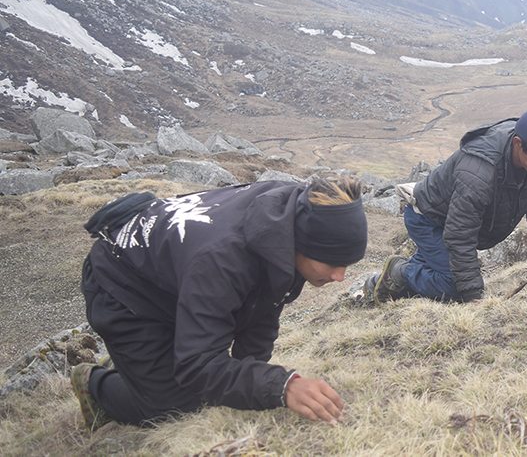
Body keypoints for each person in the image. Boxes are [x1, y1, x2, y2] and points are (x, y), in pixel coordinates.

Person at [72, 176, 368, 430]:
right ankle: (94, 382)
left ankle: (147, 363)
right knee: (175, 409)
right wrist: (283, 386)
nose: (340, 277)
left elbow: (263, 304)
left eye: (346, 264)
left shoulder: (293, 220)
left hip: (178, 279)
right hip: (124, 286)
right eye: (332, 262)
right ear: (302, 244)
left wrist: (253, 381)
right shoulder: (223, 259)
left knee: (216, 388)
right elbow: (196, 365)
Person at [367, 106, 527, 304]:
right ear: (518, 144)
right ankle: (400, 271)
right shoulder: (479, 171)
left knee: (441, 272)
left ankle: (388, 283)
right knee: (454, 288)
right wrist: (471, 294)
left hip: (454, 221)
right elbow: (460, 233)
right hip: (430, 219)